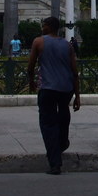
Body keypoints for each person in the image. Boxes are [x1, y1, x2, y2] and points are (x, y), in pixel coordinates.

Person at [27, 16, 81, 175]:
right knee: (63, 118)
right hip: (66, 89)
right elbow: (74, 72)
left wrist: (31, 81)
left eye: (43, 25)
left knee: (48, 125)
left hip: (47, 89)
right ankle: (63, 142)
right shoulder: (67, 45)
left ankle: (55, 163)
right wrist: (77, 96)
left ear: (49, 27)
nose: (42, 28)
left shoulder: (38, 42)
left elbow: (31, 66)